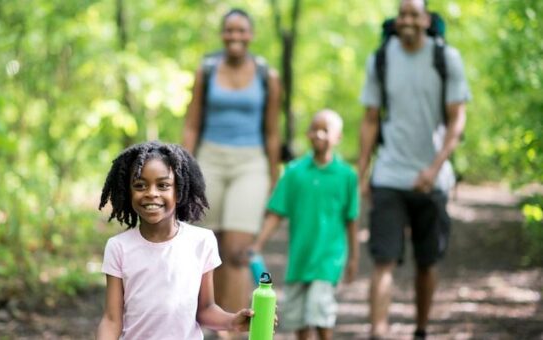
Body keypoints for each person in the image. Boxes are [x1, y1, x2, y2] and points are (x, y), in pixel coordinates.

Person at [358, 0, 471, 339]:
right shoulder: (380, 59)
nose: (406, 20)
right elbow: (369, 118)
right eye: (402, 14)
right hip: (389, 174)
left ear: (425, 19)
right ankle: (379, 332)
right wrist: (362, 172)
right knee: (383, 260)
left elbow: (457, 119)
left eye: (413, 14)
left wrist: (434, 169)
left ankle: (421, 330)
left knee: (427, 262)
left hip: (433, 180)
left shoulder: (446, 58)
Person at [95, 141, 256, 339]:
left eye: (163, 185)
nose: (151, 193)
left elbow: (204, 309)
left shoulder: (201, 241)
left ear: (179, 191)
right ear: (128, 192)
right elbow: (112, 319)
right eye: (140, 185)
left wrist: (233, 321)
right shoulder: (119, 247)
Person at [182, 7, 282, 321]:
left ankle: (234, 328)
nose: (235, 36)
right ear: (222, 34)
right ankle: (218, 319)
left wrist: (274, 177)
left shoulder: (268, 76)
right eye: (229, 31)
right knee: (211, 249)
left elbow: (272, 132)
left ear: (251, 35)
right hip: (209, 159)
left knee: (239, 252)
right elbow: (192, 125)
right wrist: (183, 168)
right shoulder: (207, 70)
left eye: (241, 31)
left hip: (250, 163)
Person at [250, 110, 360, 340]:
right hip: (299, 258)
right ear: (308, 133)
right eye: (314, 129)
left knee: (320, 312)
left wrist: (353, 258)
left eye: (325, 130)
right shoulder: (294, 173)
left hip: (328, 258)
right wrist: (258, 244)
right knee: (298, 317)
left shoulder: (346, 176)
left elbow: (352, 219)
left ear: (337, 137)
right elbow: (276, 213)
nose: (318, 134)